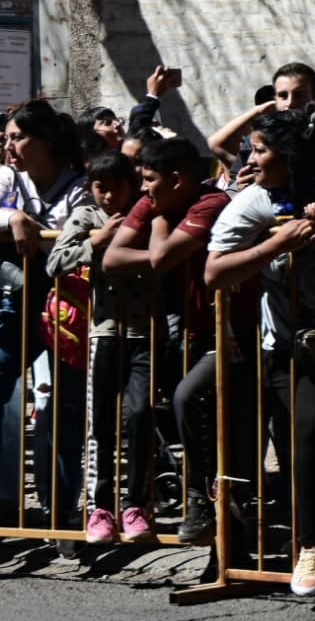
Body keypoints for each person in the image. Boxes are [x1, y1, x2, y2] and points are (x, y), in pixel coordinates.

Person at [205, 108, 315, 597]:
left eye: (261, 150)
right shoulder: (255, 200)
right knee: (306, 434)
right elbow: (214, 273)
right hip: (287, 345)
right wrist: (275, 243)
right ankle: (310, 547)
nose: (251, 158)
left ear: (291, 156)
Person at [105, 137, 242, 545]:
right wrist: (158, 237)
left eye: (149, 180)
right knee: (192, 412)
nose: (143, 190)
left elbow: (162, 258)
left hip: (230, 330)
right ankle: (222, 523)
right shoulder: (157, 199)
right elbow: (113, 260)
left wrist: (158, 228)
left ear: (178, 179)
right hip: (188, 331)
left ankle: (205, 502)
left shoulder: (210, 203)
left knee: (194, 402)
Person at [46, 150, 153, 544]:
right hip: (104, 331)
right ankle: (100, 508)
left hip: (146, 331)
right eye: (100, 188)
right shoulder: (86, 217)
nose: (109, 196)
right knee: (100, 425)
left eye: (117, 187)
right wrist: (97, 241)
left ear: (133, 183)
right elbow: (54, 263)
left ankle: (136, 504)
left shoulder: (149, 214)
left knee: (140, 415)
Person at [0, 101, 90, 535]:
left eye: (17, 137)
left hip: (67, 307)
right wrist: (13, 216)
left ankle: (61, 511)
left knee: (64, 408)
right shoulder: (7, 179)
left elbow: (79, 243)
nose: (9, 146)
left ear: (46, 141)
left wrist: (39, 243)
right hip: (14, 302)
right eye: (7, 138)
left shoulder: (79, 187)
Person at [206, 62, 315, 171]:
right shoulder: (257, 142)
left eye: (299, 95)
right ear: (274, 100)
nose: (289, 103)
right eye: (283, 96)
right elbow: (215, 144)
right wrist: (258, 110)